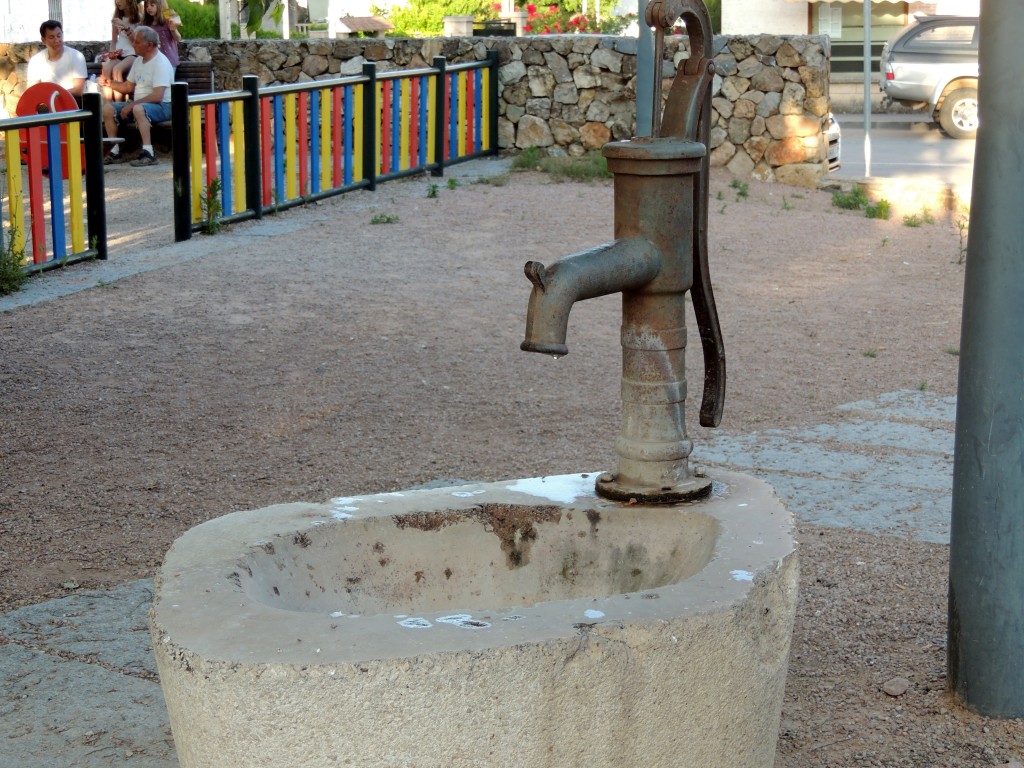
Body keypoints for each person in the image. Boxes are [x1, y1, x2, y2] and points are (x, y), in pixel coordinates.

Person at [99, 26, 173, 167]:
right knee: (108, 109)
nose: (133, 45)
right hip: (139, 105)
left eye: (137, 42)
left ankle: (149, 153)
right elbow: (128, 87)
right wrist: (109, 83)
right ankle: (114, 151)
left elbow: (158, 96)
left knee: (138, 109)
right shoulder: (139, 60)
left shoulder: (160, 63)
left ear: (149, 45)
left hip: (163, 106)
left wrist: (132, 105)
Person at [26, 20, 88, 99]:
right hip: (46, 103)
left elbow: (78, 90)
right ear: (43, 40)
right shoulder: (36, 61)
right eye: (52, 37)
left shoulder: (76, 56)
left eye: (59, 36)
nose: (57, 40)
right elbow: (32, 90)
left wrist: (54, 96)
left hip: (72, 101)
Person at [101, 0, 143, 102]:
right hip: (120, 52)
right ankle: (108, 103)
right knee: (106, 68)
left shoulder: (139, 18)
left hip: (133, 53)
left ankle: (118, 103)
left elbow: (136, 41)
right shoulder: (117, 18)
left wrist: (125, 27)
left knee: (117, 69)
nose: (117, 2)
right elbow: (114, 41)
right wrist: (111, 53)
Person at [140, 0, 182, 68]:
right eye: (147, 6)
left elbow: (178, 38)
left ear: (160, 5)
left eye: (152, 5)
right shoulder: (146, 24)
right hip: (152, 62)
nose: (149, 8)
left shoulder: (168, 20)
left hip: (169, 61)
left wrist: (173, 30)